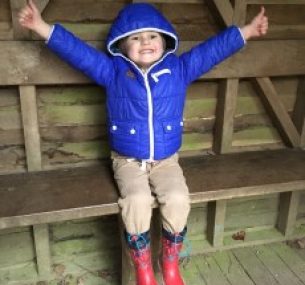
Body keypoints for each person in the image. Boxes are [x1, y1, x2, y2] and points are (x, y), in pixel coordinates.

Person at [19, 1, 268, 285]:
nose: (145, 42)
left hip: (166, 160)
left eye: (152, 36)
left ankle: (170, 264)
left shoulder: (180, 69)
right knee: (136, 201)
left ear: (165, 41)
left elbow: (212, 51)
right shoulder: (112, 72)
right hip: (127, 160)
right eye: (135, 38)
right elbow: (80, 54)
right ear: (122, 46)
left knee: (177, 199)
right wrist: (41, 27)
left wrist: (246, 30)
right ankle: (143, 267)